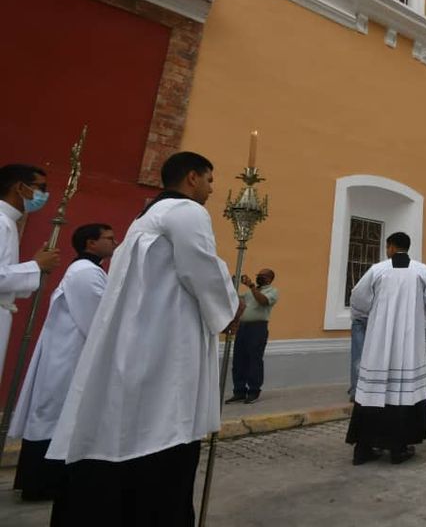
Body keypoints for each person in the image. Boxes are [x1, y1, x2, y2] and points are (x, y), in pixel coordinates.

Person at [47, 151, 239, 526]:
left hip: (138, 336)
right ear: (192, 178)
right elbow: (201, 267)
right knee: (164, 421)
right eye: (210, 180)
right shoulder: (187, 213)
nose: (213, 189)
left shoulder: (144, 219)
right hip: (166, 340)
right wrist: (229, 309)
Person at [10, 223, 114, 501]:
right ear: (90, 243)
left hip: (65, 354)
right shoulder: (86, 274)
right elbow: (98, 320)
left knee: (51, 416)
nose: (114, 242)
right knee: (54, 417)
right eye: (108, 238)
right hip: (68, 358)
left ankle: (40, 481)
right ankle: (43, 483)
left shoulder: (88, 271)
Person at [345, 231, 426, 465]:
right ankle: (398, 449)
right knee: (403, 393)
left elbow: (358, 298)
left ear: (390, 247)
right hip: (408, 343)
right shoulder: (422, 271)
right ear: (407, 248)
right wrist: (422, 315)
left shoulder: (378, 270)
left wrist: (372, 314)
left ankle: (363, 449)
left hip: (379, 341)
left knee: (372, 392)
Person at [0, 164, 61, 379]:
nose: (44, 195)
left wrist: (35, 264)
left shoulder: (7, 221)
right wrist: (35, 266)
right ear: (20, 187)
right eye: (40, 188)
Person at [227, 268, 280, 404]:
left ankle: (253, 391)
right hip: (243, 327)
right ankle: (239, 391)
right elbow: (238, 300)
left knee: (254, 359)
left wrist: (251, 286)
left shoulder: (272, 291)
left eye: (261, 276)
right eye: (258, 275)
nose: (258, 278)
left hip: (258, 328)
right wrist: (232, 285)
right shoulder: (251, 292)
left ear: (269, 278)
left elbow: (263, 301)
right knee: (239, 359)